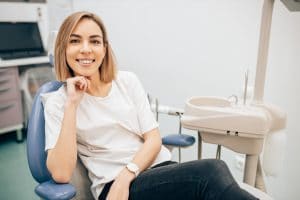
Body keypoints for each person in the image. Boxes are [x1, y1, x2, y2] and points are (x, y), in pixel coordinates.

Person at [42, 11, 257, 200]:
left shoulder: (126, 81)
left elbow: (153, 139)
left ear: (105, 49)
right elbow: (61, 173)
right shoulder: (57, 101)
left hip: (147, 173)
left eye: (95, 41)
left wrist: (127, 175)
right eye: (75, 41)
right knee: (212, 171)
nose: (86, 49)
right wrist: (72, 104)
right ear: (63, 48)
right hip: (115, 189)